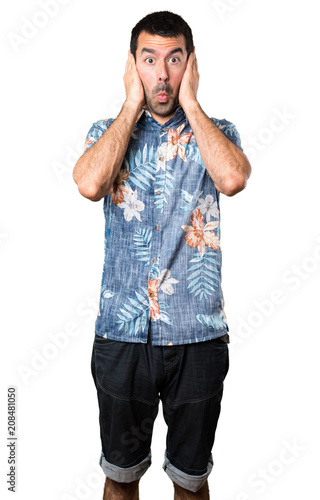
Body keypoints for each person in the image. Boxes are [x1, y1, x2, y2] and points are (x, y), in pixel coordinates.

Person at [73, 10, 251, 500]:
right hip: (121, 336)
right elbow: (89, 183)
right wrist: (130, 105)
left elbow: (233, 179)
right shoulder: (105, 132)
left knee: (191, 483)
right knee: (120, 477)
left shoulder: (219, 133)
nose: (162, 73)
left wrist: (192, 104)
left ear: (190, 65)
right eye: (149, 59)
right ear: (133, 66)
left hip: (197, 338)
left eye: (174, 59)